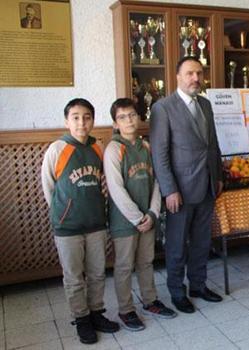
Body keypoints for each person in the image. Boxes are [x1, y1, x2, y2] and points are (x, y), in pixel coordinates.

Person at [41, 98, 119, 344]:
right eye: (75, 117)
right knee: (74, 276)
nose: (81, 122)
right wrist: (63, 213)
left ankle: (96, 313)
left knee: (97, 273)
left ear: (93, 120)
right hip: (68, 226)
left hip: (95, 222)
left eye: (86, 117)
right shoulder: (58, 149)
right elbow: (49, 188)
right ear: (67, 120)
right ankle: (81, 318)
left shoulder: (98, 147)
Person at [150, 56, 223, 313]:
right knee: (177, 244)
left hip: (206, 185)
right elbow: (159, 154)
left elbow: (212, 144)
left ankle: (198, 285)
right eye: (190, 73)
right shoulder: (163, 108)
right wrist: (169, 189)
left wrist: (219, 175)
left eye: (199, 74)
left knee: (203, 242)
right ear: (178, 77)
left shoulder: (205, 104)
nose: (196, 78)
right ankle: (177, 292)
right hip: (179, 191)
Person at [104, 98, 177, 331]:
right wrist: (137, 218)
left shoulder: (145, 146)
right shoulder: (114, 149)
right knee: (124, 266)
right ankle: (126, 310)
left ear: (139, 117)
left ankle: (150, 301)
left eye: (132, 115)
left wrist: (153, 213)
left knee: (146, 262)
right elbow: (116, 189)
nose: (129, 120)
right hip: (125, 221)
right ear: (115, 123)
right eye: (122, 117)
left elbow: (157, 182)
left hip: (148, 217)